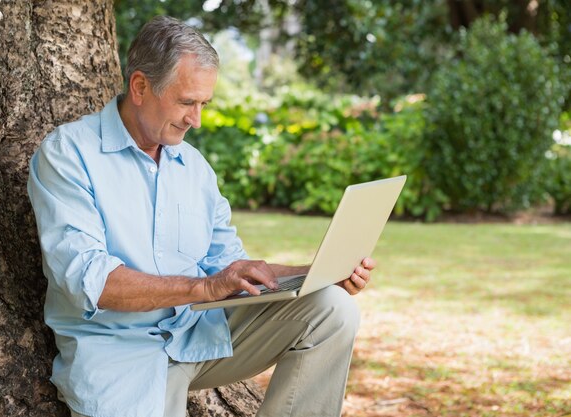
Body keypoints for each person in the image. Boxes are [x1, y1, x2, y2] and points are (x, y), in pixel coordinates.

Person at [27, 15, 375, 417]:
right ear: (140, 86)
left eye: (204, 104)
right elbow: (91, 282)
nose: (197, 120)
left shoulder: (194, 167)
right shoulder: (68, 155)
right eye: (187, 102)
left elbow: (229, 267)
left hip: (197, 335)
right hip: (118, 355)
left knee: (332, 308)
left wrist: (315, 273)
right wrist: (204, 289)